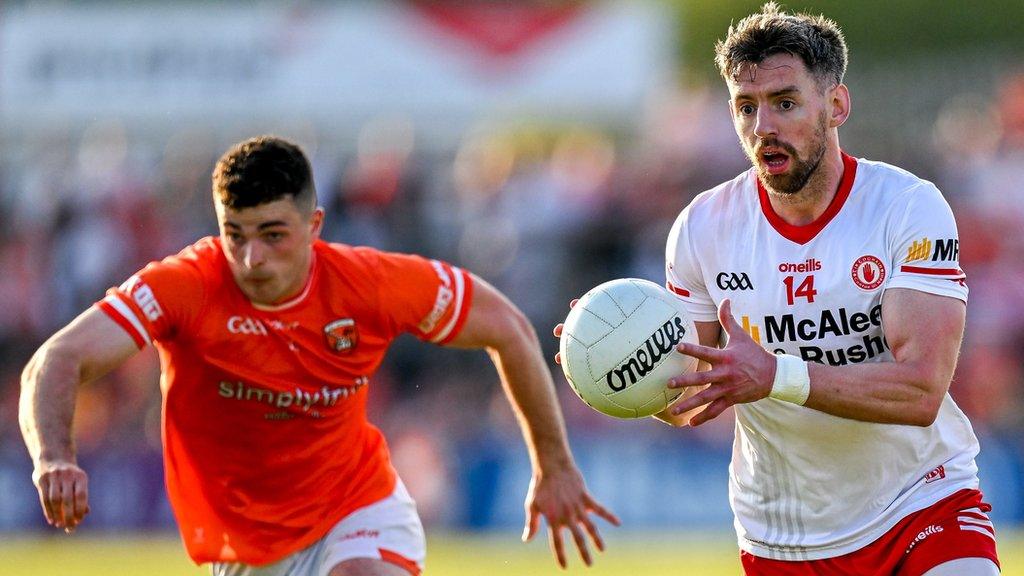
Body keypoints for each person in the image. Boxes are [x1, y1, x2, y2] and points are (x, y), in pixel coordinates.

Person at [20, 135, 618, 576]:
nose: (252, 259)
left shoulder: (370, 283)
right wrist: (53, 456)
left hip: (357, 507)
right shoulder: (184, 285)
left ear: (314, 225)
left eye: (273, 234)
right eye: (236, 234)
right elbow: (57, 359)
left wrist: (553, 463)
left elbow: (507, 327)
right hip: (246, 547)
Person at [552, 3, 999, 575]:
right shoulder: (702, 227)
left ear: (836, 105)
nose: (763, 127)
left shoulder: (906, 208)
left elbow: (920, 391)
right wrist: (620, 366)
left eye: (785, 103)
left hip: (922, 503)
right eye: (746, 107)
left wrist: (775, 375)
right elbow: (693, 402)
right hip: (785, 538)